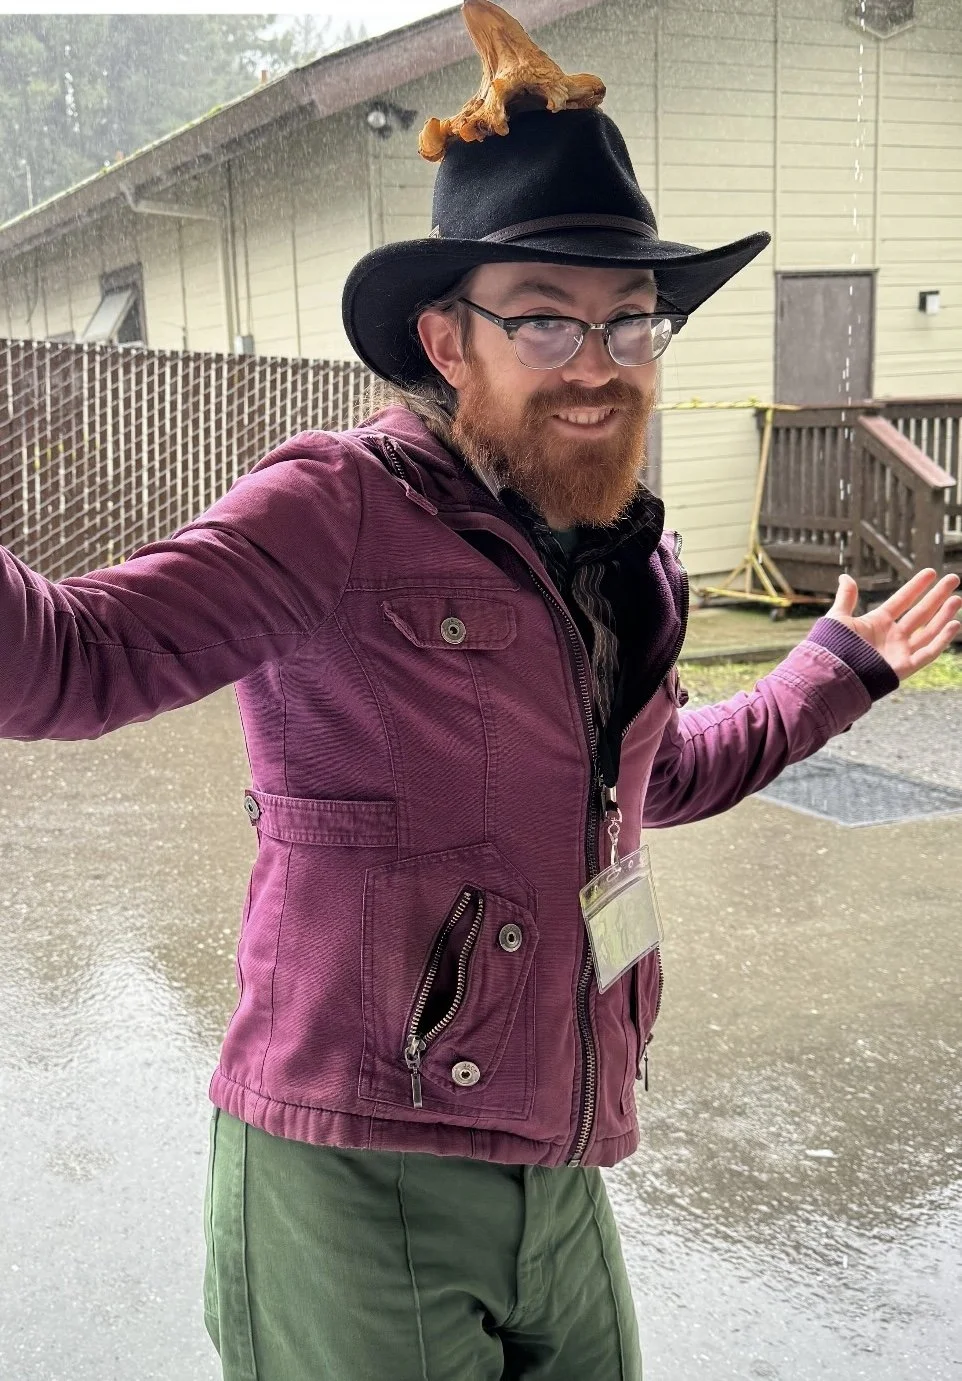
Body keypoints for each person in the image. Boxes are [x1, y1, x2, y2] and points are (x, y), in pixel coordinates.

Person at [2, 5, 959, 1379]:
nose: (599, 363)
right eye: (546, 319)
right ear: (448, 342)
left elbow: (657, 777)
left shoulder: (622, 548)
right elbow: (70, 660)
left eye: (630, 322)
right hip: (351, 1165)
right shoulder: (335, 507)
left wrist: (834, 675)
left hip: (559, 1153)